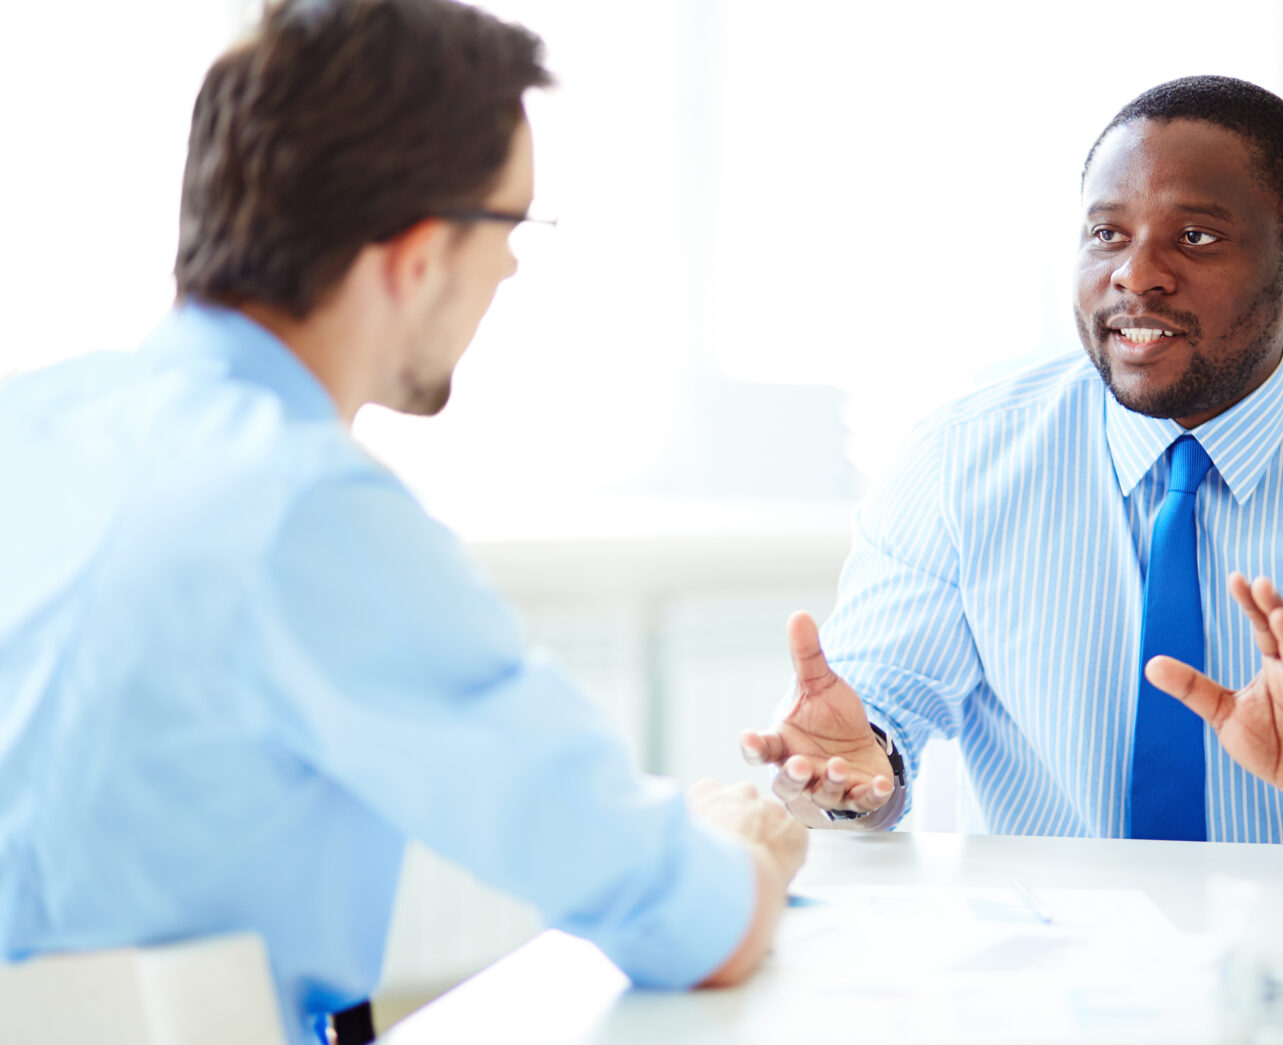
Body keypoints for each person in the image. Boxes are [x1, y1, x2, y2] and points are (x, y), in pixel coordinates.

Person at [0, 2, 805, 1043]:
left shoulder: (29, 423)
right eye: (512, 225)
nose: (511, 268)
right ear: (419, 255)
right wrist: (745, 847)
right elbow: (688, 920)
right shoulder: (311, 512)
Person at [742, 75, 1283, 855]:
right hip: (1051, 969)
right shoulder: (959, 459)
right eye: (1107, 234)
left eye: (1195, 237)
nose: (1136, 274)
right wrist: (851, 766)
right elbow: (879, 709)